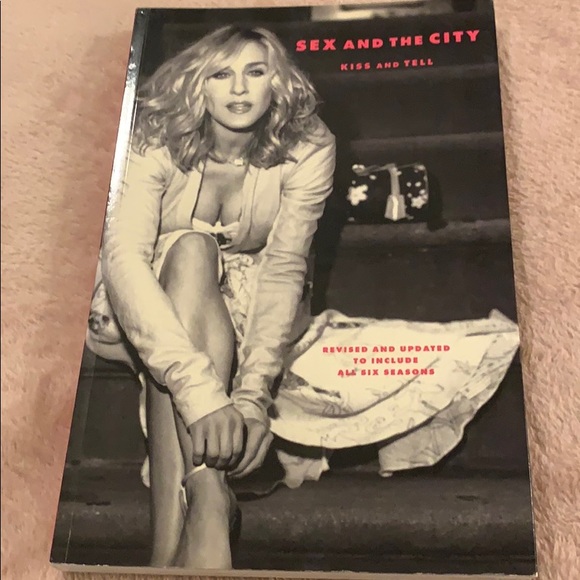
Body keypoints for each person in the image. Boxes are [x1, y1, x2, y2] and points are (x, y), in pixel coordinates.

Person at [86, 24, 336, 570]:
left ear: (277, 81)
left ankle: (169, 552)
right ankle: (210, 495)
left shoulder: (309, 144)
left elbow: (283, 269)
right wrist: (203, 397)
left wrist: (251, 397)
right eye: (222, 74)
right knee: (192, 250)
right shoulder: (153, 135)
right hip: (139, 295)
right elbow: (125, 259)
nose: (239, 89)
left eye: (255, 71)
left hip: (246, 299)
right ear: (198, 83)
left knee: (193, 295)